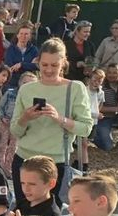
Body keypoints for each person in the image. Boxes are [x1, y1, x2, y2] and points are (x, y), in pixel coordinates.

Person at [9, 39, 93, 205]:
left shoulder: (75, 88)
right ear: (37, 62)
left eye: (54, 65)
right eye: (44, 64)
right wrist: (25, 118)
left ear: (63, 63)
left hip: (55, 164)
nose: (48, 70)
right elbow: (15, 131)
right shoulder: (27, 89)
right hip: (24, 160)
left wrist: (59, 118)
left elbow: (86, 129)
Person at [93, 63, 118, 152]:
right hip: (105, 117)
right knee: (107, 146)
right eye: (109, 72)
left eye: (115, 73)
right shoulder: (101, 88)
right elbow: (96, 107)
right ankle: (93, 136)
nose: (112, 75)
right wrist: (115, 109)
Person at [3, 23, 38, 88]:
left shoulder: (34, 50)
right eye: (21, 33)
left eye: (26, 34)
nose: (23, 36)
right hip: (12, 82)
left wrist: (21, 64)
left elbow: (37, 66)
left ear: (30, 36)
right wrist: (29, 65)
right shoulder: (10, 49)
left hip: (28, 83)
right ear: (17, 35)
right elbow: (10, 66)